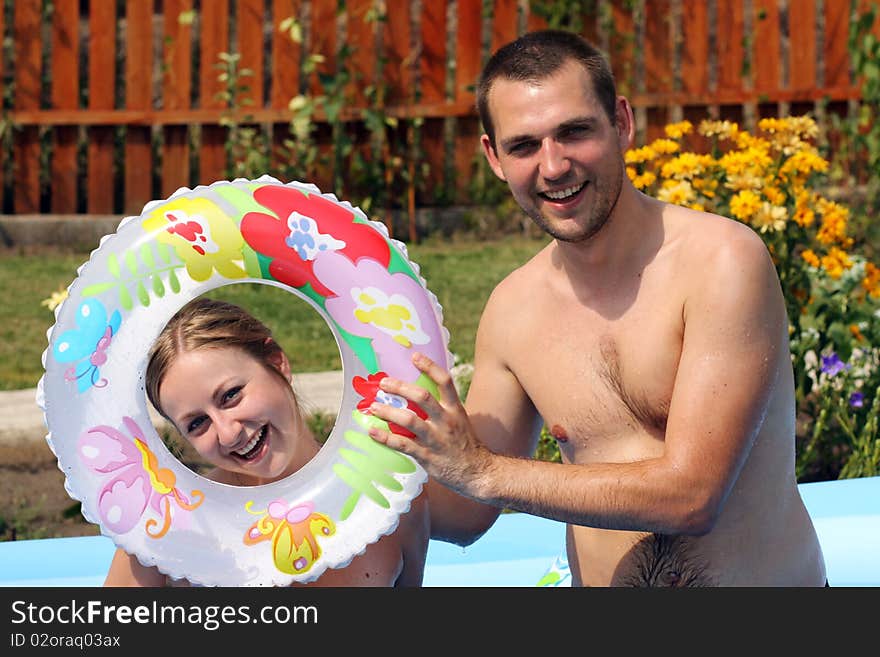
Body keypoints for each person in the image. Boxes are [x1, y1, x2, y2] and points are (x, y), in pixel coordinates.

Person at [367, 30, 827, 586]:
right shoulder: (514, 310)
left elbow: (694, 496)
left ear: (622, 123)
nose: (554, 166)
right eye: (524, 146)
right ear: (493, 157)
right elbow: (465, 511)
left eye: (574, 132)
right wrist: (316, 478)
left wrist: (486, 472)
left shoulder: (721, 262)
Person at [104, 297, 429, 587]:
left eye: (231, 395)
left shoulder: (388, 505)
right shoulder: (167, 530)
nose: (228, 433)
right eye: (198, 423)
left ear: (277, 362)